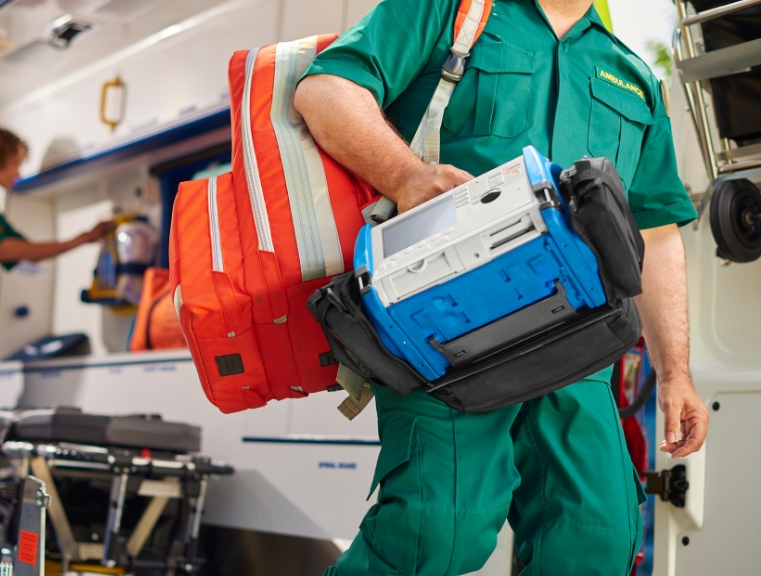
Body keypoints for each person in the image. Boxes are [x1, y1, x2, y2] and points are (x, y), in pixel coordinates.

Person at [294, 1, 709, 574]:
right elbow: (326, 90)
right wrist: (406, 176)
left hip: (581, 346)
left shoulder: (633, 77)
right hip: (445, 336)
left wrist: (675, 372)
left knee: (595, 541)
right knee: (433, 536)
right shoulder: (451, 11)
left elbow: (656, 235)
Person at [0, 124, 113, 389]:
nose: (18, 172)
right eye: (14, 163)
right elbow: (6, 249)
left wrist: (84, 238)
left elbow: (28, 252)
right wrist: (81, 238)